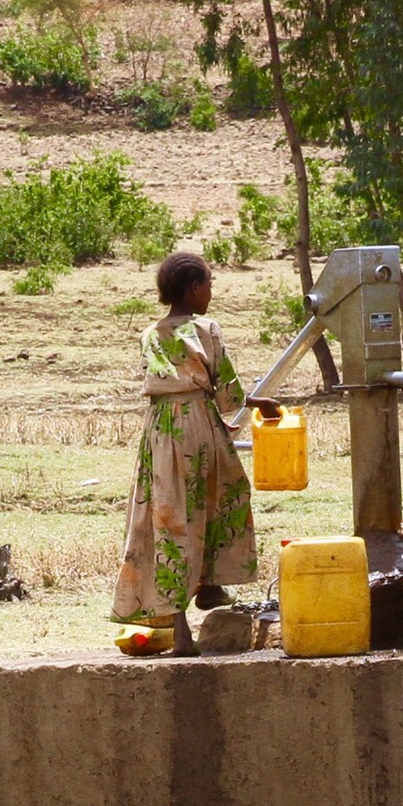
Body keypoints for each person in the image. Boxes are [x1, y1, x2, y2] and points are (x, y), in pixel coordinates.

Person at [113, 251, 281, 656]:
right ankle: (209, 583)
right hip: (200, 425)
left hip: (161, 429)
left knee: (169, 517)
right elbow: (227, 392)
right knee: (220, 499)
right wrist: (258, 404)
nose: (211, 291)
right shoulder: (206, 328)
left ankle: (183, 622)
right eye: (209, 283)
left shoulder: (150, 333)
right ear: (193, 288)